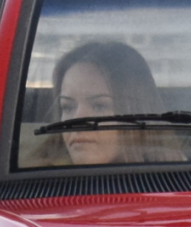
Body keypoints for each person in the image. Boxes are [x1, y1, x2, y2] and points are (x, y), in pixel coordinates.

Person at [45, 40, 179, 167]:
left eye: (99, 106)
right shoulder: (35, 181)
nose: (76, 122)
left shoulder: (181, 181)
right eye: (68, 107)